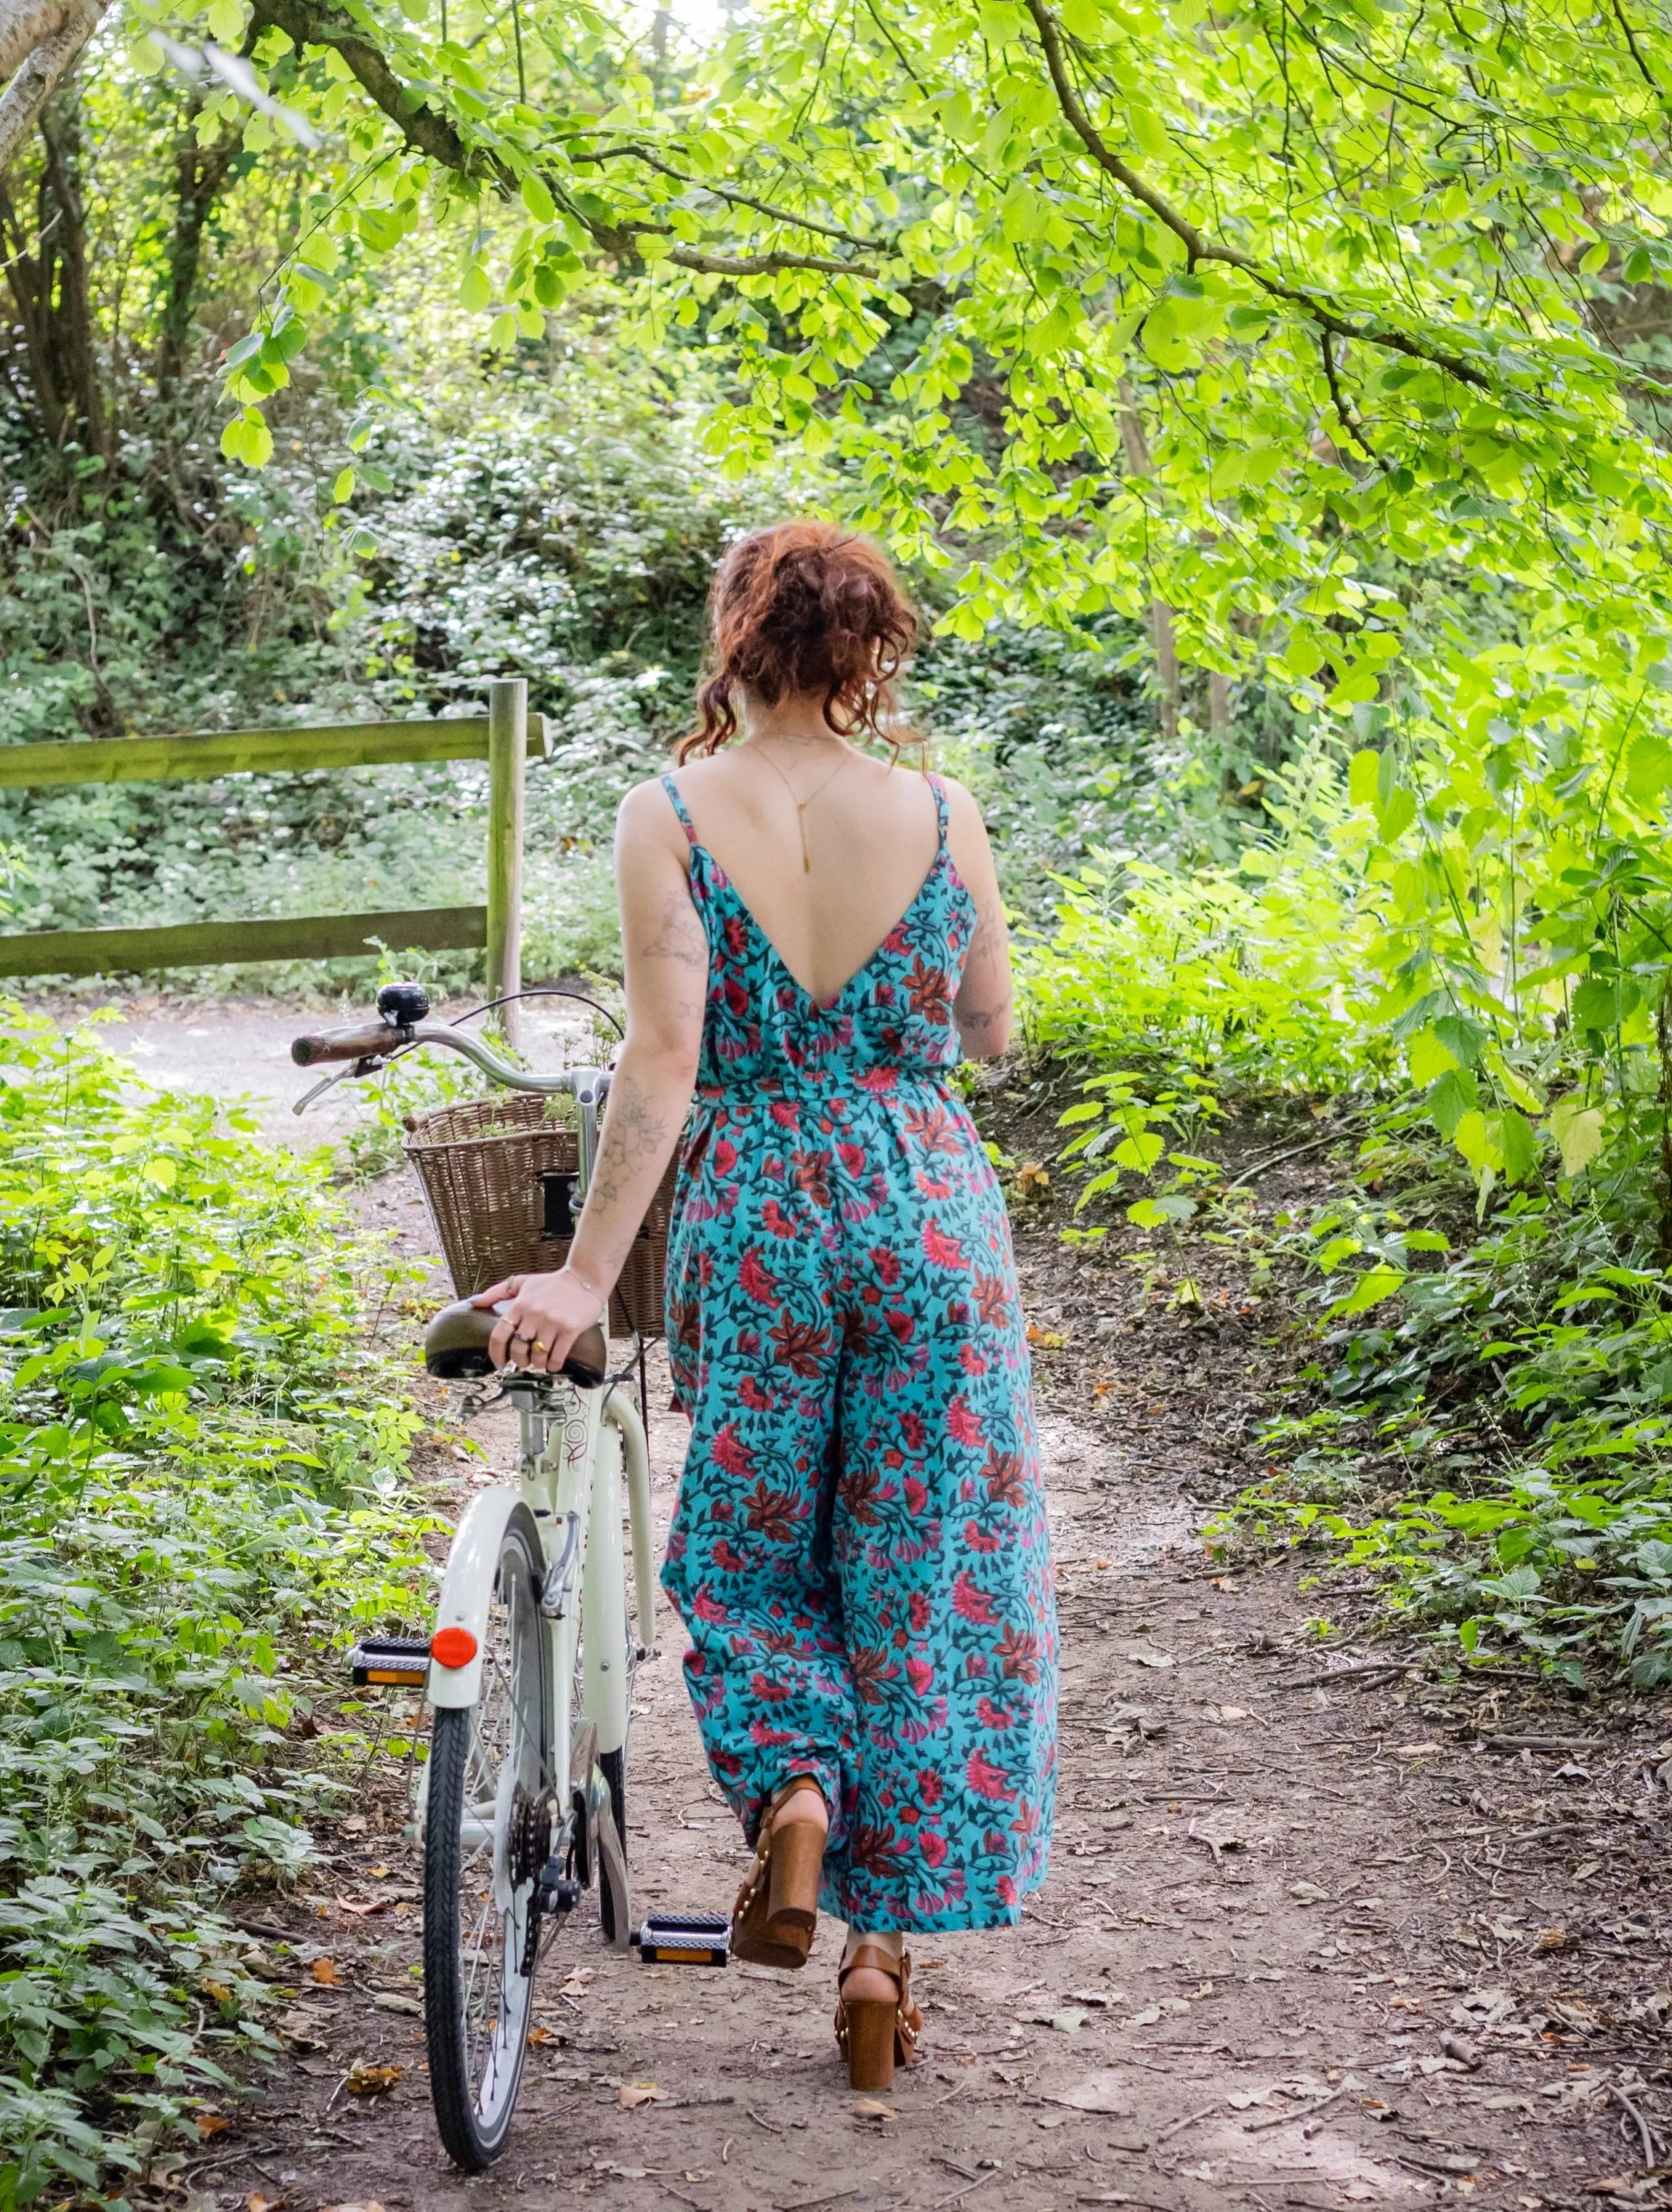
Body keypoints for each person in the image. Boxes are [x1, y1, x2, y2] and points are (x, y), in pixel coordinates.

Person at [472, 520, 1058, 2089]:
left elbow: (661, 1063)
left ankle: (795, 1794)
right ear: (875, 648)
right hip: (929, 1206)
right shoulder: (943, 811)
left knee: (747, 1548)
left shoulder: (666, 811)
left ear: (734, 640)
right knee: (922, 1583)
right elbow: (992, 1030)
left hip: (761, 1219)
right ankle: (879, 1961)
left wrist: (588, 1274)